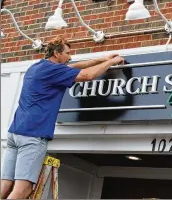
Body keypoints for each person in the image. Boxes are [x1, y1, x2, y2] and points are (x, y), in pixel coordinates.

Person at [1, 36, 125, 199]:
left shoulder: (37, 67)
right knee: (23, 189)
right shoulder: (53, 71)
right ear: (57, 54)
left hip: (15, 133)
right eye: (67, 53)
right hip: (33, 134)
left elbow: (75, 66)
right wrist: (111, 62)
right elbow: (87, 75)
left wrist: (103, 58)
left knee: (5, 184)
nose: (70, 56)